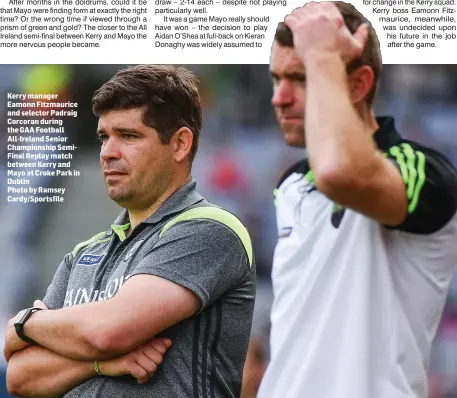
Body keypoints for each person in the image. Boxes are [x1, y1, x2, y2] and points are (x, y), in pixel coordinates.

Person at [4, 64, 256, 398]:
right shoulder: (83, 253)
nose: (108, 152)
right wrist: (100, 365)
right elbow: (19, 377)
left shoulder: (211, 229)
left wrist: (24, 323)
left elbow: (109, 332)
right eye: (103, 137)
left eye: (129, 136)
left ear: (180, 144)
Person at [258, 2, 457, 398]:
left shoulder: (422, 170)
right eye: (275, 78)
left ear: (360, 83)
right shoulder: (292, 183)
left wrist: (323, 55)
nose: (279, 98)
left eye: (300, 77)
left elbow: (340, 172)